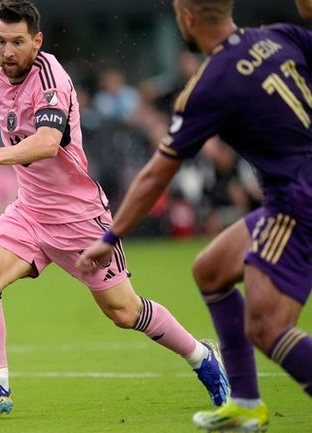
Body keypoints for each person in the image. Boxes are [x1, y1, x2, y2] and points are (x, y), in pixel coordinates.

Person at [0, 0, 229, 415]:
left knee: (124, 311)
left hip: (79, 218)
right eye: (0, 41)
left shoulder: (51, 79)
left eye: (17, 42)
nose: (7, 52)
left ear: (36, 40)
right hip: (29, 211)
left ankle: (203, 358)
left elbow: (45, 144)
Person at [77, 0, 312, 430]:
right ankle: (244, 402)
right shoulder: (279, 37)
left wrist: (110, 238)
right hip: (293, 195)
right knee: (211, 270)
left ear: (185, 17)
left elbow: (155, 177)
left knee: (267, 327)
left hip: (297, 202)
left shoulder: (210, 85)